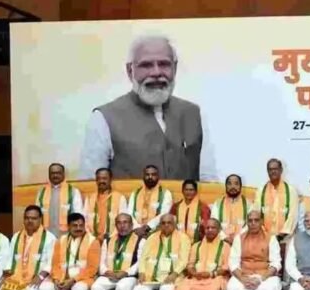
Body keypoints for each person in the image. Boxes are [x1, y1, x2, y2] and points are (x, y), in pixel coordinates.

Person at [80, 34, 217, 181]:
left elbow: (209, 182)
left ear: (175, 68)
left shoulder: (194, 115)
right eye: (146, 65)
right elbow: (90, 186)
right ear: (130, 71)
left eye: (164, 64)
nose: (156, 73)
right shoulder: (103, 119)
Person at [0, 205, 57, 290]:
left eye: (33, 218)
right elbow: (10, 258)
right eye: (27, 218)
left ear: (40, 219)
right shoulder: (17, 236)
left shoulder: (49, 238)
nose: (30, 221)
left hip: (40, 276)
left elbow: (51, 262)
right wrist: (6, 274)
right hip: (18, 276)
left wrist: (40, 276)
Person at [226, 210, 282, 290]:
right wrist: (242, 279)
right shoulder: (239, 238)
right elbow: (233, 262)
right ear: (247, 222)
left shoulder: (271, 238)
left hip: (265, 275)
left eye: (256, 220)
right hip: (244, 274)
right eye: (250, 220)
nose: (253, 223)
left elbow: (276, 263)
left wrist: (261, 279)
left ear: (261, 221)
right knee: (232, 289)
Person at [134, 214, 190, 290]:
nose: (166, 225)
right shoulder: (152, 238)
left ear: (174, 225)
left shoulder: (183, 238)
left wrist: (174, 273)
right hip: (151, 276)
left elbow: (184, 260)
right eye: (163, 223)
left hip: (172, 277)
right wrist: (141, 272)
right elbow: (143, 258)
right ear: (159, 225)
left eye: (169, 223)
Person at [48, 213, 101, 290]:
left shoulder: (93, 241)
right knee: (45, 288)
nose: (78, 228)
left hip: (84, 278)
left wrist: (73, 280)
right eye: (75, 225)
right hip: (62, 277)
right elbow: (55, 264)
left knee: (79, 288)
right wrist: (56, 279)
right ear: (68, 226)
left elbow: (92, 268)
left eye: (81, 225)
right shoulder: (60, 241)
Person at [91, 213, 144, 290]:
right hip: (110, 274)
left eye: (125, 222)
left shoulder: (140, 240)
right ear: (115, 225)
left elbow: (140, 262)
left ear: (131, 225)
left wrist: (126, 272)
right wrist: (106, 271)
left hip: (129, 276)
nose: (122, 226)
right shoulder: (108, 240)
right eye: (119, 223)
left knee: (122, 287)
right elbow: (101, 261)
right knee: (95, 287)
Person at [254, 159, 299, 243]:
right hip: (264, 238)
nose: (273, 172)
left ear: (281, 170)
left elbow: (293, 215)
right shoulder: (261, 190)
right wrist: (264, 234)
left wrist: (282, 235)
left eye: (275, 169)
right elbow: (256, 213)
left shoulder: (291, 190)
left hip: (285, 239)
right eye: (270, 169)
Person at [35, 163, 83, 237]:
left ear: (63, 174)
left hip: (66, 236)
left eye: (58, 173)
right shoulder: (41, 193)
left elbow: (78, 216)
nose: (55, 175)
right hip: (46, 236)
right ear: (49, 175)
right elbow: (36, 215)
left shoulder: (73, 192)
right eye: (52, 173)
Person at [128, 165, 173, 238]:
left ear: (158, 177)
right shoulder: (135, 193)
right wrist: (137, 228)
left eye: (153, 175)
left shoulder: (165, 193)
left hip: (157, 233)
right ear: (143, 176)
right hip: (136, 232)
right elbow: (129, 213)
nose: (150, 177)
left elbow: (164, 214)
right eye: (147, 174)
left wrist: (148, 227)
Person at [82, 168, 127, 241]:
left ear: (110, 180)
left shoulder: (120, 198)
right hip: (92, 240)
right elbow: (84, 220)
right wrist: (92, 238)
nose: (101, 181)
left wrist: (110, 238)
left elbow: (123, 221)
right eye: (99, 179)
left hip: (114, 239)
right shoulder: (90, 198)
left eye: (104, 178)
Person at [211, 174, 251, 242]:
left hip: (242, 242)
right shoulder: (217, 204)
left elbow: (250, 225)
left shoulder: (248, 204)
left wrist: (237, 239)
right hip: (222, 241)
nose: (233, 186)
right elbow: (214, 224)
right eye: (229, 184)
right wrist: (225, 237)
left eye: (236, 184)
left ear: (240, 186)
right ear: (226, 186)